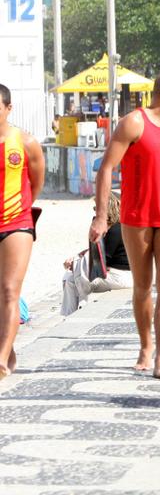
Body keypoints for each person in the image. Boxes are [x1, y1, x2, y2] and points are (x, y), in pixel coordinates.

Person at [90, 72, 160, 379]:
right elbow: (106, 169)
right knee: (143, 286)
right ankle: (145, 345)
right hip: (137, 217)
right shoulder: (133, 123)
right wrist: (100, 215)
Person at [0, 83, 45, 380]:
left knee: (9, 291)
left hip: (16, 223)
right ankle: (9, 347)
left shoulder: (26, 142)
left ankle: (1, 358)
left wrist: (22, 208)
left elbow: (36, 181)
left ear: (8, 108)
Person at [61, 192, 132, 316]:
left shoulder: (116, 229)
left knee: (78, 274)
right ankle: (69, 316)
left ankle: (80, 310)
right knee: (69, 278)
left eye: (96, 209)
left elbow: (101, 258)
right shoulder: (107, 228)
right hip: (112, 273)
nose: (94, 212)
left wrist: (76, 263)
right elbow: (95, 251)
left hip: (121, 277)